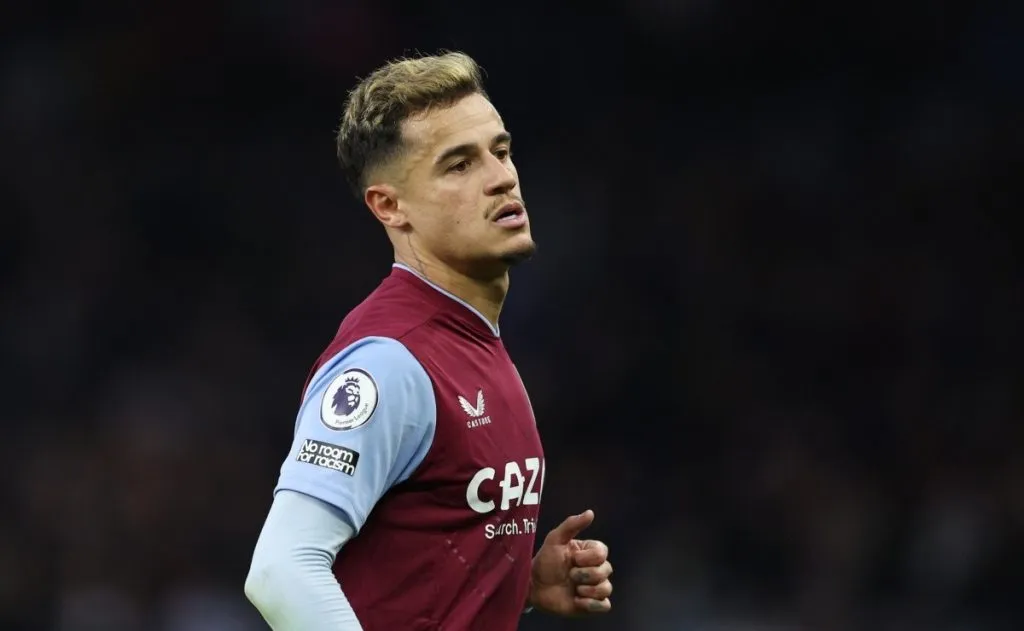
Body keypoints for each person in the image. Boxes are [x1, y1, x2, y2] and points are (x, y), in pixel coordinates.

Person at [244, 51, 613, 630]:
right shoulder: (389, 361)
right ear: (390, 206)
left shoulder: (470, 339)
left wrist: (515, 584)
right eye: (459, 165)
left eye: (500, 150)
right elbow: (280, 569)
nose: (501, 176)